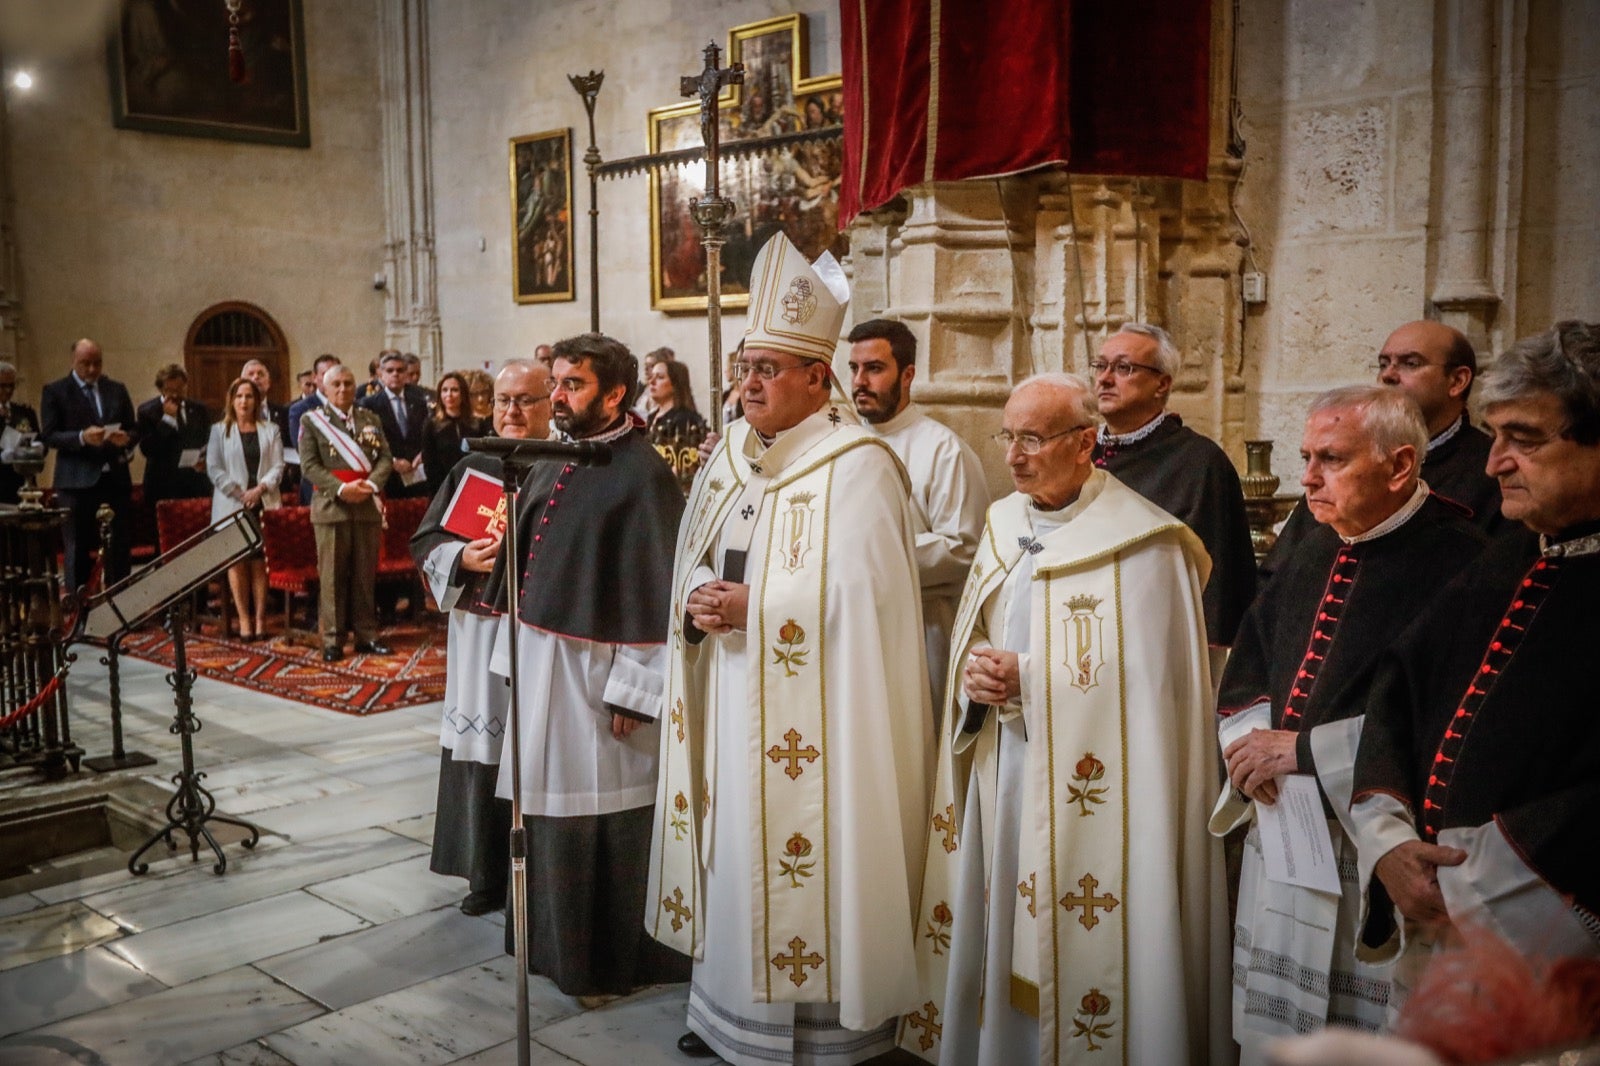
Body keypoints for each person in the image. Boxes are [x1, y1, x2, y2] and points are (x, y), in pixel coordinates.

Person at [647, 232, 933, 1064]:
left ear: (820, 377)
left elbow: (873, 601)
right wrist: (699, 602)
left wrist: (760, 607)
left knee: (814, 858)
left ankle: (821, 1035)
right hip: (733, 693)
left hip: (824, 719)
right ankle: (730, 1016)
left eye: (769, 369)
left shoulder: (861, 465)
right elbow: (696, 552)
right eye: (745, 367)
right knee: (736, 849)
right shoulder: (732, 455)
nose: (751, 384)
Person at [904, 372, 1229, 1066]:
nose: (1014, 456)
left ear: (1085, 444)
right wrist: (976, 676)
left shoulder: (1148, 545)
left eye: (1033, 438)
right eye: (1008, 436)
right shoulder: (1002, 524)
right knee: (1005, 924)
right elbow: (978, 633)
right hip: (1010, 770)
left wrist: (1036, 681)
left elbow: (1156, 693)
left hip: (1107, 803)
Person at [1210, 386, 1484, 1062]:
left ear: (1399, 467)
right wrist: (1246, 746)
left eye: (1330, 459)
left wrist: (1306, 752)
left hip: (1372, 838)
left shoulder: (1462, 560)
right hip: (1284, 828)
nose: (1307, 479)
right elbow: (1253, 660)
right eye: (1306, 457)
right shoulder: (1309, 534)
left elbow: (1455, 720)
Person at [1351, 320, 1600, 1014]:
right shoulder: (1505, 558)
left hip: (1552, 954)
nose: (1495, 464)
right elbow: (1397, 687)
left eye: (1524, 439)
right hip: (1439, 939)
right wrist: (1390, 845)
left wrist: (1481, 878)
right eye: (1494, 438)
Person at [482, 333, 690, 1002]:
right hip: (545, 666)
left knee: (597, 807)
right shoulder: (555, 456)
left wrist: (640, 690)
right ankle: (547, 945)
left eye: (573, 385)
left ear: (615, 394)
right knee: (540, 801)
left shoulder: (643, 473)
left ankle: (600, 961)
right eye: (558, 381)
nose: (559, 396)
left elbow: (659, 588)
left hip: (599, 682)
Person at [410, 359, 550, 916]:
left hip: (540, 631)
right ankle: (486, 875)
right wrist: (460, 556)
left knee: (535, 747)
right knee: (482, 745)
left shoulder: (566, 468)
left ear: (550, 404)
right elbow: (427, 541)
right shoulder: (473, 466)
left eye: (525, 400)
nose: (511, 411)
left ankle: (539, 875)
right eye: (502, 401)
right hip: (478, 626)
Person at [1264, 321, 1504, 580]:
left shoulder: (1491, 468)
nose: (1388, 375)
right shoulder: (1350, 456)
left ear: (1457, 380)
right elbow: (1276, 577)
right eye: (1383, 363)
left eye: (1410, 363)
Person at [847, 317, 989, 719]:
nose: (860, 381)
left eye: (874, 368)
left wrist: (872, 560)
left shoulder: (944, 450)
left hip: (920, 630)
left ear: (907, 375)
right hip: (854, 628)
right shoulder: (839, 446)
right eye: (854, 369)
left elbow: (964, 549)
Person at [1091, 323, 1256, 652]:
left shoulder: (1200, 463)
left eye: (1123, 368)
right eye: (1100, 365)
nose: (1105, 379)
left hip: (1157, 646)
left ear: (1161, 384)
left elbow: (1220, 582)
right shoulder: (1080, 455)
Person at [298, 365, 393, 662]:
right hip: (332, 507)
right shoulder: (312, 421)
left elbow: (385, 458)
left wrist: (371, 484)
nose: (342, 389)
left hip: (365, 505)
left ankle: (367, 635)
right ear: (323, 388)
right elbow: (309, 466)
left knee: (365, 576)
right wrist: (341, 489)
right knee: (333, 577)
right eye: (336, 384)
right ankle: (333, 639)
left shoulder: (370, 418)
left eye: (348, 383)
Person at [41, 339, 138, 592]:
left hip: (114, 478)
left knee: (119, 544)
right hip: (76, 482)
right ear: (73, 361)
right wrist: (82, 438)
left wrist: (126, 439)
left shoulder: (116, 389)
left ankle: (121, 601)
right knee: (77, 547)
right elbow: (49, 435)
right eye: (86, 364)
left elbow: (133, 427)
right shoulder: (56, 391)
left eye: (97, 363)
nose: (93, 370)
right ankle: (79, 608)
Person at [206, 378, 284, 641]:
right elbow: (214, 468)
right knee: (237, 562)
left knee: (259, 563)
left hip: (262, 502)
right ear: (231, 400)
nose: (244, 401)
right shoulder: (219, 431)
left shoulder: (270, 429)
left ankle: (261, 619)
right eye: (239, 396)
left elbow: (278, 466)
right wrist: (239, 492)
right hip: (232, 504)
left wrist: (259, 489)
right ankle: (243, 620)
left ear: (256, 400)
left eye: (249, 396)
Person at [136, 363, 212, 503]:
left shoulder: (199, 409)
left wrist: (205, 458)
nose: (176, 395)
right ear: (161, 389)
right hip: (163, 486)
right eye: (170, 390)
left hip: (195, 484)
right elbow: (147, 449)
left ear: (185, 386)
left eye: (179, 389)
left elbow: (209, 439)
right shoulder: (147, 411)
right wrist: (168, 420)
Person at [361, 351, 431, 498]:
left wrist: (422, 454)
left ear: (406, 374)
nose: (395, 374)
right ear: (381, 374)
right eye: (390, 370)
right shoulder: (370, 404)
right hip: (388, 476)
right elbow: (368, 442)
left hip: (417, 472)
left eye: (400, 370)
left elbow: (427, 433)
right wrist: (392, 461)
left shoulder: (418, 401)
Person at [420, 371, 492, 501]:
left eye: (454, 390)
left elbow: (483, 458)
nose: (449, 395)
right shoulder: (432, 425)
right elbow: (429, 464)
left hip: (472, 487)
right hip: (442, 489)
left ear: (463, 394)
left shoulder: (476, 424)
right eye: (445, 390)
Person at [289, 353, 342, 504]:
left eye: (335, 373)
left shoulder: (352, 405)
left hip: (348, 482)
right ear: (315, 377)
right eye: (325, 374)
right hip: (316, 484)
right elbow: (304, 450)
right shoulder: (300, 409)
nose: (330, 379)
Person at [242, 358, 296, 498]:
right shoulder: (233, 414)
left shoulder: (283, 412)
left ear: (269, 382)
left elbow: (290, 445)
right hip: (246, 485)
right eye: (251, 374)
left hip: (279, 484)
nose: (256, 377)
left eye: (261, 374)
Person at [0, 362, 41, 505]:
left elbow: (41, 440)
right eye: (3, 385)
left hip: (22, 483)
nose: (8, 390)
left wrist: (36, 449)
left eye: (11, 385)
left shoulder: (24, 412)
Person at [644, 358, 706, 440]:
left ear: (675, 384)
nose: (651, 381)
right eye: (651, 376)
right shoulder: (651, 417)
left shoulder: (685, 418)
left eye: (660, 377)